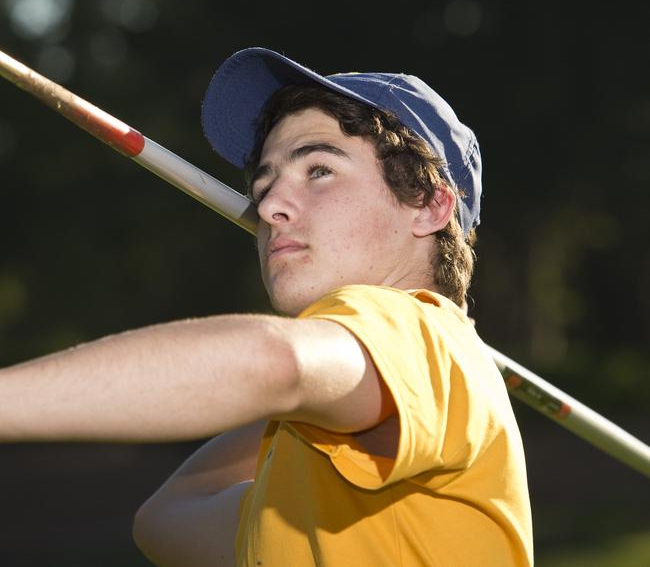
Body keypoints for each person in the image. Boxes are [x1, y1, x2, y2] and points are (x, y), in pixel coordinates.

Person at [0, 47, 533, 566]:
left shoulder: (422, 330)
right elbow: (164, 519)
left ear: (428, 204)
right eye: (266, 180)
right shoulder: (307, 484)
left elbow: (274, 363)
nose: (270, 204)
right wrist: (317, 404)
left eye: (319, 170)